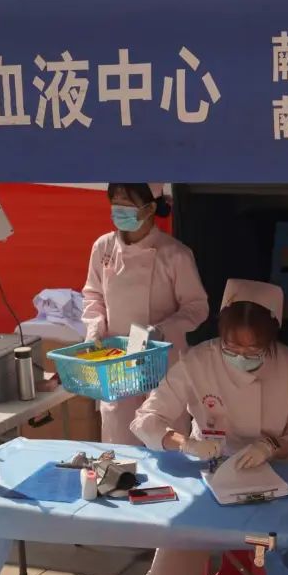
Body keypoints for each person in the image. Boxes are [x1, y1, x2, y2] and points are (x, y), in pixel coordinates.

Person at [130, 278, 288, 575]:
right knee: (175, 552)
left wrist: (273, 446)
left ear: (272, 339)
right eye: (233, 347)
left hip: (272, 474)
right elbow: (146, 419)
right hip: (208, 471)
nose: (242, 356)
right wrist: (183, 442)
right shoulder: (198, 361)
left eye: (254, 349)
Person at [81, 183, 209, 445]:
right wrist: (95, 330)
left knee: (166, 442)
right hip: (118, 362)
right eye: (115, 203)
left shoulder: (175, 254)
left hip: (163, 362)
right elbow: (93, 295)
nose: (119, 210)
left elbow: (197, 307)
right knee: (120, 445)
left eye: (127, 204)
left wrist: (162, 330)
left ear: (150, 208)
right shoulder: (103, 247)